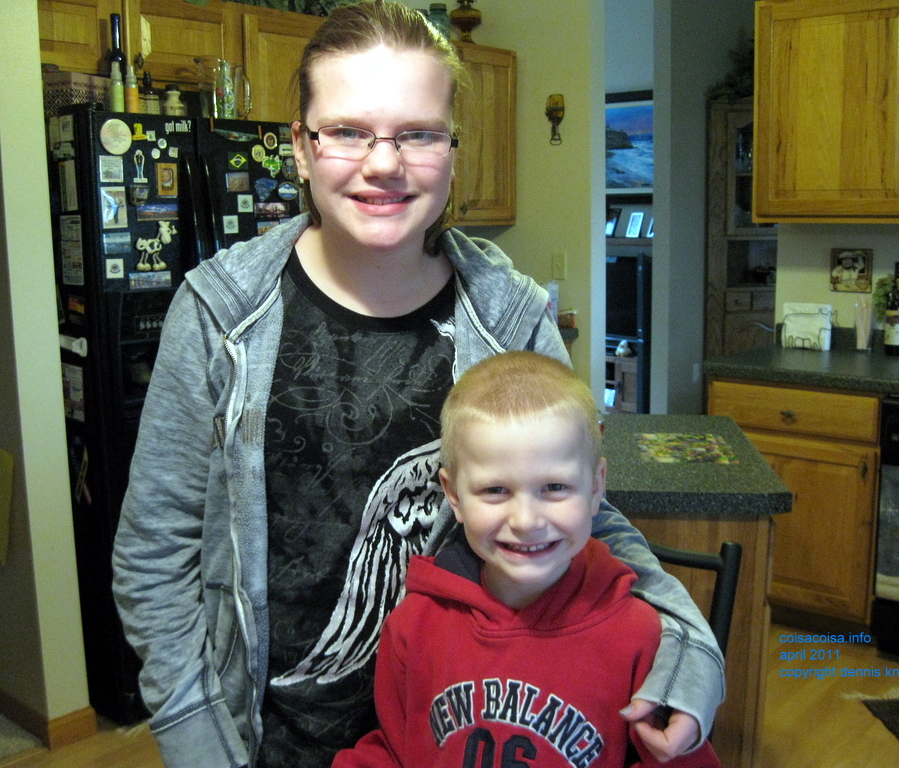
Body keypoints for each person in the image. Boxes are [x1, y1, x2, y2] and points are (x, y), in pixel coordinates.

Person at [112, 3, 723, 767]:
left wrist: (692, 648)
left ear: (453, 151)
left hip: (460, 731)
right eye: (346, 131)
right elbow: (154, 551)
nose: (383, 163)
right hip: (262, 743)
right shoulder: (217, 314)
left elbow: (586, 516)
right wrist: (194, 735)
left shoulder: (510, 316)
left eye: (418, 134)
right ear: (301, 149)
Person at [333, 352, 721, 768]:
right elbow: (397, 748)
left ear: (595, 488)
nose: (526, 521)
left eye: (554, 487)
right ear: (454, 496)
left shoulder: (640, 637)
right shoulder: (414, 623)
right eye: (496, 490)